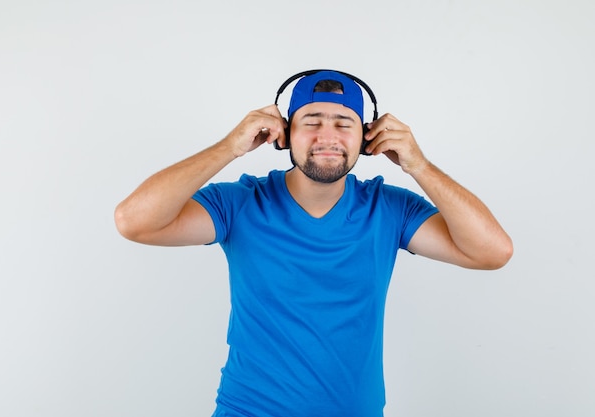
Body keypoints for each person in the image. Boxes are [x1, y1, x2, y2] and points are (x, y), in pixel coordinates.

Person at [114, 70, 513, 417]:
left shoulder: (389, 209)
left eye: (344, 123)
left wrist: (419, 165)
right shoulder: (239, 203)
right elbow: (135, 222)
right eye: (312, 121)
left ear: (368, 137)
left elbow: (492, 251)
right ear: (284, 134)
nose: (328, 135)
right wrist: (229, 147)